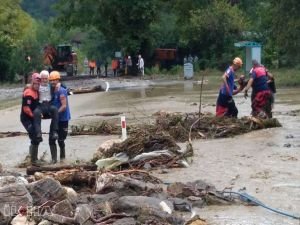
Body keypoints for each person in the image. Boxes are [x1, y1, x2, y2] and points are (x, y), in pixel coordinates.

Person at [49, 71, 71, 163]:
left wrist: (55, 114)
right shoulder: (51, 90)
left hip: (63, 119)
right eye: (51, 80)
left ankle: (62, 159)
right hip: (55, 120)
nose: (53, 82)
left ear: (58, 80)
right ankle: (54, 160)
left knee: (61, 140)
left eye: (55, 80)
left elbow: (64, 106)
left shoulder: (61, 90)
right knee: (51, 139)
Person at [20, 73, 42, 165]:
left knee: (37, 137)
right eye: (36, 84)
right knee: (34, 136)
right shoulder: (28, 93)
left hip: (34, 117)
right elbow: (26, 109)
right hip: (26, 118)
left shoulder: (37, 92)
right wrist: (35, 116)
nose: (38, 86)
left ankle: (32, 157)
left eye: (39, 84)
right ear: (33, 83)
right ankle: (33, 160)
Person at [33, 70, 59, 144]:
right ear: (40, 79)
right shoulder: (37, 86)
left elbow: (61, 85)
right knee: (36, 112)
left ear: (48, 79)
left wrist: (60, 84)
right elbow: (30, 87)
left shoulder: (51, 85)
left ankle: (54, 132)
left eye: (46, 78)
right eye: (43, 78)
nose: (44, 80)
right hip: (41, 105)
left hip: (49, 104)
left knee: (55, 110)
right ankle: (38, 133)